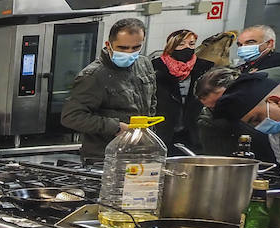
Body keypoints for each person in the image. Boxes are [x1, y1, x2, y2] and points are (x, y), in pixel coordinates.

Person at [61, 17, 157, 162]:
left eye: (136, 48)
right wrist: (115, 127)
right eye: (123, 48)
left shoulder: (144, 64)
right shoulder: (93, 76)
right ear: (109, 44)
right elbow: (71, 117)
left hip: (140, 153)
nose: (129, 53)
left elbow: (152, 101)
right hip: (104, 157)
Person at [212, 68, 280, 162]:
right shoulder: (276, 133)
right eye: (253, 125)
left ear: (275, 101)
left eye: (257, 119)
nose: (259, 127)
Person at [151, 28, 214, 151]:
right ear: (171, 46)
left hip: (194, 132)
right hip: (163, 131)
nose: (187, 48)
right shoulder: (155, 68)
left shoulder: (205, 68)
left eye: (191, 44)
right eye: (181, 44)